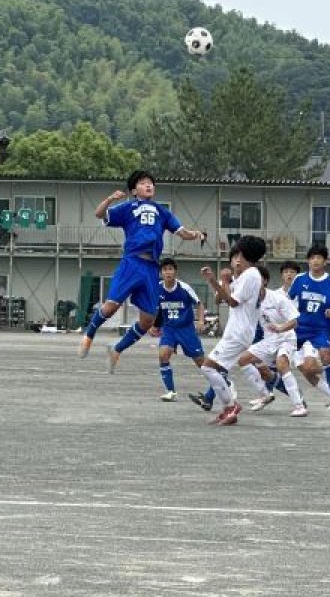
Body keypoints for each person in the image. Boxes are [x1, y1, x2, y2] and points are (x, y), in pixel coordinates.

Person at [78, 170, 205, 361]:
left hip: (151, 268)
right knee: (111, 306)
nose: (148, 185)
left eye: (151, 183)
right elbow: (99, 214)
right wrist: (111, 199)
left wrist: (197, 234)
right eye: (143, 183)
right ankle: (89, 335)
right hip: (132, 261)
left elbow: (182, 232)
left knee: (147, 321)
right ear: (133, 190)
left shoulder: (163, 211)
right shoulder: (128, 207)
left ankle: (117, 349)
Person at [197, 235, 266, 426]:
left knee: (208, 367)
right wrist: (217, 281)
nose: (234, 260)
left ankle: (231, 406)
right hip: (237, 330)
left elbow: (233, 301)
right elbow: (222, 299)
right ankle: (227, 408)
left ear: (242, 255)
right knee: (216, 369)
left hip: (239, 331)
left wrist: (221, 281)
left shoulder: (251, 275)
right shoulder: (246, 276)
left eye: (237, 255)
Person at [238, 263, 308, 417]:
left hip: (286, 338)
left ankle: (299, 405)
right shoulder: (250, 300)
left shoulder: (277, 298)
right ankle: (265, 394)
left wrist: (281, 328)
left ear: (264, 281)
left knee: (281, 364)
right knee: (243, 360)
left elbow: (295, 321)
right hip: (268, 340)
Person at [287, 243, 330, 410]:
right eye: (312, 258)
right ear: (308, 261)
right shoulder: (299, 280)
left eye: (319, 258)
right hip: (299, 330)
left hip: (320, 330)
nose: (315, 261)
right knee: (306, 370)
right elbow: (289, 304)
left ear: (325, 262)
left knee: (324, 356)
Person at [150, 258, 206, 400]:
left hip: (186, 329)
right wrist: (153, 325)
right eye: (165, 269)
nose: (168, 272)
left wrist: (200, 321)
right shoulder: (157, 289)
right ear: (161, 273)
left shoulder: (184, 288)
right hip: (169, 329)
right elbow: (154, 309)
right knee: (163, 354)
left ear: (175, 272)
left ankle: (221, 383)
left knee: (201, 362)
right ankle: (170, 391)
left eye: (170, 269)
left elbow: (199, 304)